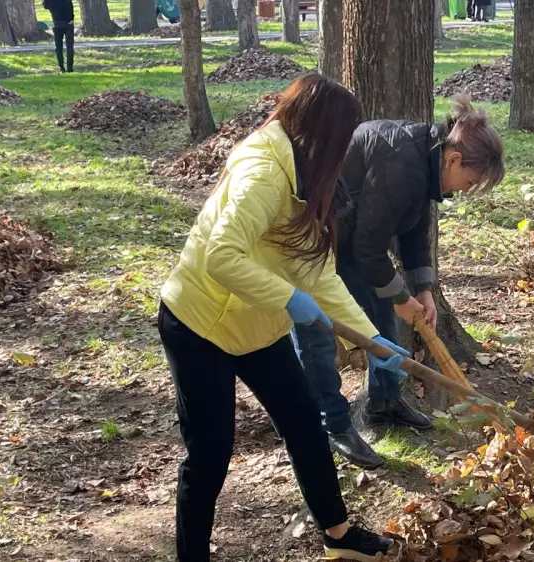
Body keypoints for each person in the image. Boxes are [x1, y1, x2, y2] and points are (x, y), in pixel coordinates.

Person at [158, 74, 405, 562]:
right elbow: (220, 256)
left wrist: (373, 340)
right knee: (209, 454)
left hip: (256, 327)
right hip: (199, 323)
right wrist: (290, 298)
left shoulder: (306, 177)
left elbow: (321, 275)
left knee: (304, 425)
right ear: (323, 136)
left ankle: (338, 537)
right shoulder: (263, 173)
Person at [292, 96, 506, 469]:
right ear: (454, 160)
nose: (462, 192)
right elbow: (370, 249)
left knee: (381, 317)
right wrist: (402, 299)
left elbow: (412, 232)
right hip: (313, 233)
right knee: (319, 327)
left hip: (351, 237)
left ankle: (385, 402)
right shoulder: (402, 163)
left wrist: (422, 289)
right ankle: (332, 425)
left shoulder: (424, 156)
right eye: (469, 182)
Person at [43, 0, 74, 73]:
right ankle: (70, 67)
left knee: (58, 47)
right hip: (68, 22)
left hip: (57, 22)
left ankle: (61, 68)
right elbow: (70, 6)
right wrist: (71, 18)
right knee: (69, 46)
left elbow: (45, 5)